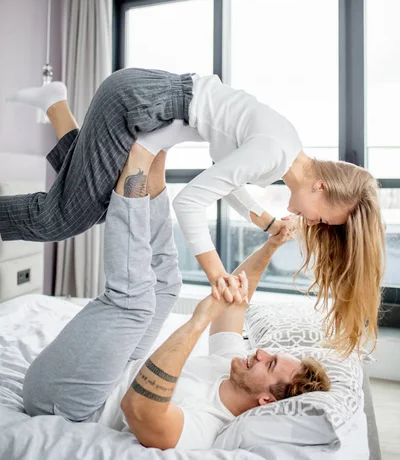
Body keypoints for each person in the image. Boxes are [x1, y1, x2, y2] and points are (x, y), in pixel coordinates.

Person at [3, 68, 385, 354]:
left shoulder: (282, 154)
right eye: (323, 217)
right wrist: (217, 274)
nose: (313, 223)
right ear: (320, 187)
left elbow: (225, 175)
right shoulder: (275, 152)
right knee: (60, 218)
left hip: (145, 101)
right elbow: (190, 202)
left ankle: (55, 105)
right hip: (137, 103)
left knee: (96, 205)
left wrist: (262, 219)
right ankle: (54, 103)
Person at [23, 142, 330, 451]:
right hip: (115, 370)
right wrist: (272, 245)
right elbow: (237, 297)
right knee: (167, 281)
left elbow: (138, 409)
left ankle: (136, 165)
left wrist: (200, 320)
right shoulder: (232, 367)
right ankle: (156, 151)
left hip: (68, 404)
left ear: (265, 400)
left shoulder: (205, 427)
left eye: (271, 363)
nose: (261, 352)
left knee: (136, 302)